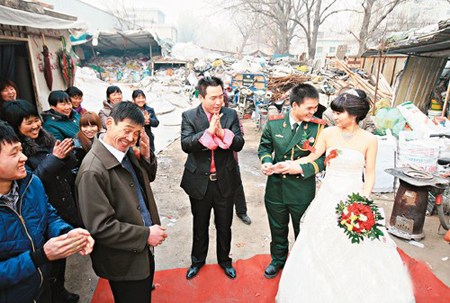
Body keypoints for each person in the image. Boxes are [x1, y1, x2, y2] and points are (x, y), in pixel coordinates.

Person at [275, 89, 415, 302]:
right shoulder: (328, 133)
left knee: (358, 247)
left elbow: (369, 173)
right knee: (318, 242)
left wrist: (364, 200)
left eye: (340, 113)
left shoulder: (369, 140)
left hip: (354, 198)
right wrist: (290, 164)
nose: (336, 116)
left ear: (354, 114)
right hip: (328, 197)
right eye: (335, 112)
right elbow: (313, 156)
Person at [76, 102, 167, 303]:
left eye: (136, 133)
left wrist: (145, 155)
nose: (131, 138)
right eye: (127, 130)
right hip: (124, 259)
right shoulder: (92, 171)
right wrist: (146, 234)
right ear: (109, 123)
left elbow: (145, 180)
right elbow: (100, 227)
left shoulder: (122, 152)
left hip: (140, 248)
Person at [0, 121, 94, 303]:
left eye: (20, 150)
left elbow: (48, 215)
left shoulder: (31, 183)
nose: (24, 158)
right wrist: (39, 257)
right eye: (14, 154)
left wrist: (67, 233)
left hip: (42, 289)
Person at [257, 83, 326, 279]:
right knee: (277, 227)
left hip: (301, 189)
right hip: (276, 187)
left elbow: (323, 160)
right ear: (294, 105)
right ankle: (278, 259)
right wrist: (267, 162)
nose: (313, 112)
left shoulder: (318, 128)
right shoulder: (274, 123)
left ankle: (302, 263)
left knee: (302, 229)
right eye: (309, 108)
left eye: (315, 107)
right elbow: (264, 148)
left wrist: (301, 168)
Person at [180, 76, 244, 280]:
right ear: (201, 97)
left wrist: (222, 133)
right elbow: (186, 144)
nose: (218, 102)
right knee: (200, 224)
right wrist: (208, 133)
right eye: (213, 98)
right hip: (200, 182)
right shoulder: (189, 116)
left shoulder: (230, 115)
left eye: (221, 97)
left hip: (224, 180)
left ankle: (225, 261)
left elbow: (239, 143)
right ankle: (197, 261)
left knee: (224, 225)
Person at [223, 90, 251, 225]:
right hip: (213, 162)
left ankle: (242, 212)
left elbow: (240, 134)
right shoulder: (205, 117)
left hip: (231, 159)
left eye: (221, 100)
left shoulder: (231, 115)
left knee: (237, 186)